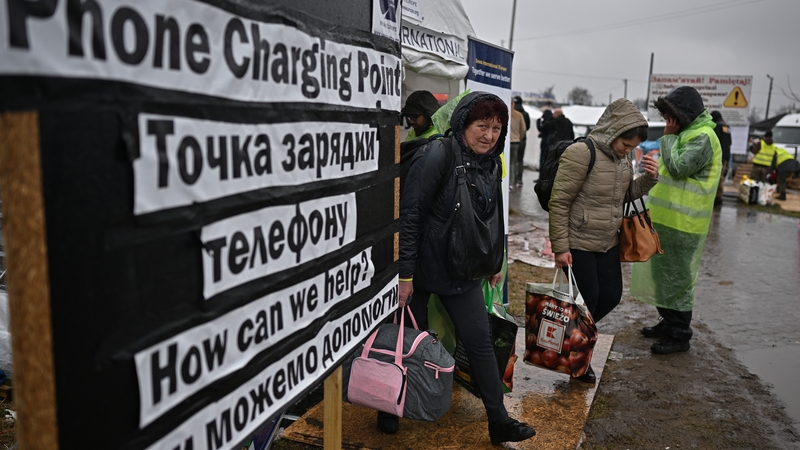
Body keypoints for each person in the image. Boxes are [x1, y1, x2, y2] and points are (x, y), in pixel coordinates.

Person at [389, 91, 536, 445]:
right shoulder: (437, 153)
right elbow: (409, 217)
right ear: (463, 124)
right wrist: (405, 275)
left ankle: (498, 420)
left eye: (497, 128)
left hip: (462, 272)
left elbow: (490, 214)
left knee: (480, 342)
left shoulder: (492, 160)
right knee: (405, 342)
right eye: (482, 126)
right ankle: (388, 406)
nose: (489, 135)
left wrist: (493, 259)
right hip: (422, 271)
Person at [549, 98, 658, 382]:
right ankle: (577, 359)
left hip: (608, 240)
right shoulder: (581, 153)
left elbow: (625, 195)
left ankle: (571, 341)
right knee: (589, 299)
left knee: (610, 296)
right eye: (626, 144)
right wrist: (560, 247)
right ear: (613, 131)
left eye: (633, 147)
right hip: (579, 241)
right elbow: (559, 202)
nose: (628, 151)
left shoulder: (623, 159)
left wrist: (648, 179)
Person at [631, 86, 722, 355]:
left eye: (672, 116)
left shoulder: (703, 136)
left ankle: (679, 334)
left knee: (679, 278)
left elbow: (679, 167)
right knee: (663, 275)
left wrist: (668, 138)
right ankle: (668, 321)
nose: (668, 122)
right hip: (668, 220)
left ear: (685, 114)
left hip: (686, 224)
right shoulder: (687, 133)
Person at [711, 110, 732, 204]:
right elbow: (730, 142)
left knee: (716, 176)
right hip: (726, 155)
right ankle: (718, 196)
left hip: (718, 155)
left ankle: (717, 197)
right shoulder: (726, 127)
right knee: (720, 175)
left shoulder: (717, 126)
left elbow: (714, 140)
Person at [512, 96, 531, 187]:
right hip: (522, 140)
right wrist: (521, 136)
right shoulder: (525, 114)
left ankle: (511, 180)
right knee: (520, 160)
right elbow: (526, 128)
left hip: (512, 140)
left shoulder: (511, 113)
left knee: (512, 160)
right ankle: (519, 179)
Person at [509, 102, 526, 188]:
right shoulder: (519, 115)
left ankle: (507, 181)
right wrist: (519, 137)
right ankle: (512, 182)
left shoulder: (506, 113)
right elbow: (523, 129)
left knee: (506, 162)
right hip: (516, 141)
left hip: (507, 141)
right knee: (513, 162)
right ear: (514, 104)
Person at [536, 108, 555, 173]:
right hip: (550, 143)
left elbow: (540, 128)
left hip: (545, 143)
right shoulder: (552, 121)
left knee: (542, 160)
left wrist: (538, 121)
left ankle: (541, 176)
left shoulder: (547, 122)